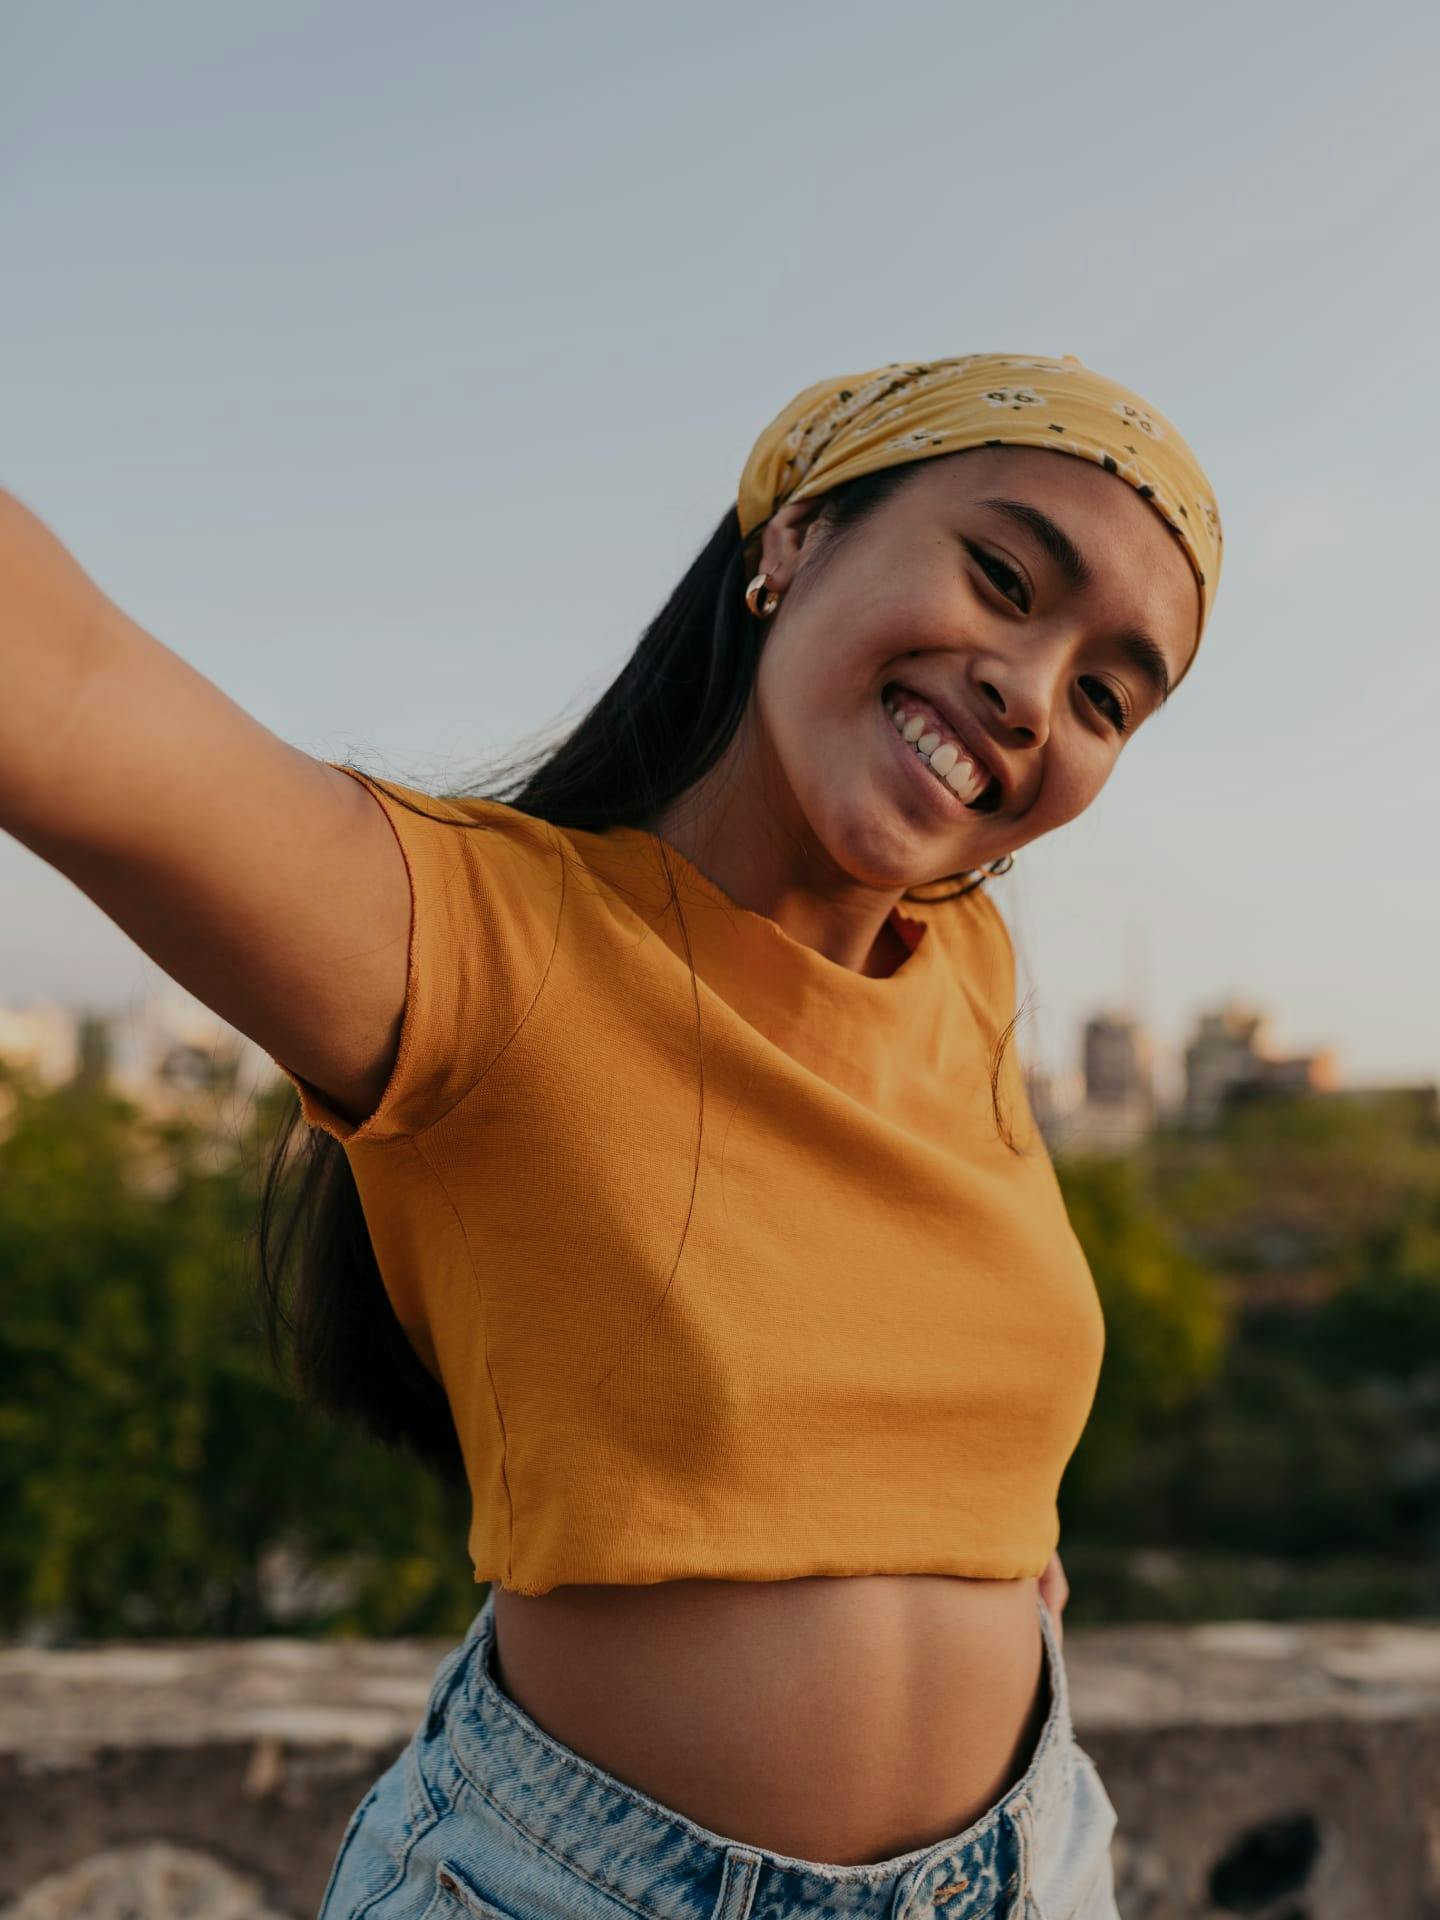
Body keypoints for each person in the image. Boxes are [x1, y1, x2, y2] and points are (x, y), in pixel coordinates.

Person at [0, 351, 1222, 1920]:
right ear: (793, 537)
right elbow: (67, 682)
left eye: (1107, 695)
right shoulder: (472, 941)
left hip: (1037, 1865)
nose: (1033, 692)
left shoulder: (969, 977)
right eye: (1003, 576)